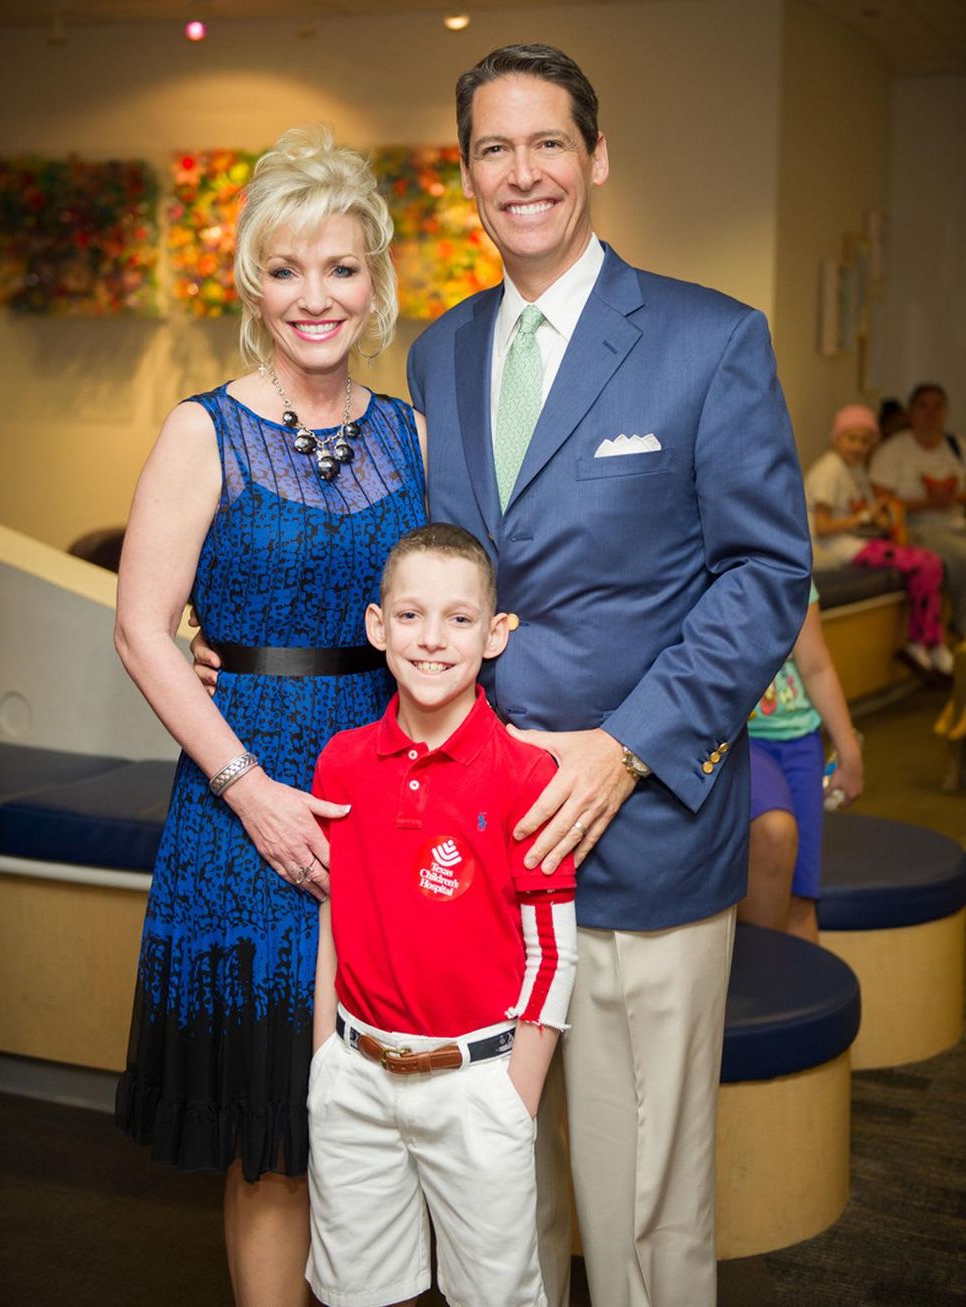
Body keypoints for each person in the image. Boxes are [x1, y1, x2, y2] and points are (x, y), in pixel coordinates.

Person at [406, 43, 812, 1307]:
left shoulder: (708, 339)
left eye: (546, 143)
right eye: (491, 147)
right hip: (474, 852)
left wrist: (626, 741)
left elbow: (762, 575)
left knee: (641, 1213)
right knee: (493, 1194)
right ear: (464, 172)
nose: (520, 171)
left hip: (639, 833)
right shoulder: (436, 352)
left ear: (595, 156)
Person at [114, 127, 426, 1306]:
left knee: (382, 1119)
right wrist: (249, 786)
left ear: (376, 283)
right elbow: (145, 629)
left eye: (340, 269)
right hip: (242, 814)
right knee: (274, 1129)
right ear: (251, 281)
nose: (315, 297)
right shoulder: (203, 431)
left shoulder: (412, 434)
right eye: (287, 269)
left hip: (380, 798)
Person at [305, 523, 577, 1307]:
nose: (432, 639)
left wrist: (512, 1097)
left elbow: (553, 949)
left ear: (495, 634)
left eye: (459, 619)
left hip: (476, 1083)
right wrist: (327, 1053)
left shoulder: (528, 773)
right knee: (357, 1291)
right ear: (377, 625)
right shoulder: (343, 759)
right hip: (355, 1077)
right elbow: (336, 915)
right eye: (412, 615)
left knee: (493, 1297)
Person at [741, 584, 863, 942]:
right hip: (742, 741)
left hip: (801, 744)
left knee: (800, 897)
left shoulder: (794, 573)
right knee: (775, 834)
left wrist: (847, 749)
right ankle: (764, 984)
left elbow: (817, 666)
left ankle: (799, 990)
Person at [806, 402, 952, 677]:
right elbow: (822, 527)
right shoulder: (829, 469)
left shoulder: (857, 470)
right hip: (832, 547)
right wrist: (864, 519)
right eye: (851, 438)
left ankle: (928, 640)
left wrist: (880, 519)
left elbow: (862, 510)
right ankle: (923, 641)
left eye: (865, 440)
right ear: (837, 438)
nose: (858, 446)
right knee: (924, 563)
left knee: (930, 562)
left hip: (854, 540)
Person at [871, 383, 966, 639]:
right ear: (911, 411)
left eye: (937, 406)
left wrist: (953, 497)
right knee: (961, 555)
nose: (930, 413)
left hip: (956, 523)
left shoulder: (957, 446)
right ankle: (961, 625)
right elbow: (882, 500)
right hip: (916, 527)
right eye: (923, 406)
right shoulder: (892, 450)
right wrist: (928, 502)